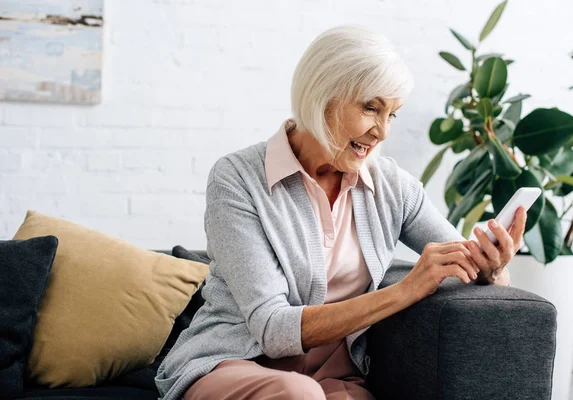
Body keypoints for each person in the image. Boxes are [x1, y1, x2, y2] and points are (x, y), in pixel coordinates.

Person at [154, 24, 526, 400]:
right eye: (370, 108)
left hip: (333, 381)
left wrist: (490, 267)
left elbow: (467, 265)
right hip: (229, 367)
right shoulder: (237, 178)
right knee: (299, 394)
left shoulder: (392, 187)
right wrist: (406, 289)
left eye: (392, 114)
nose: (382, 132)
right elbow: (271, 326)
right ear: (323, 95)